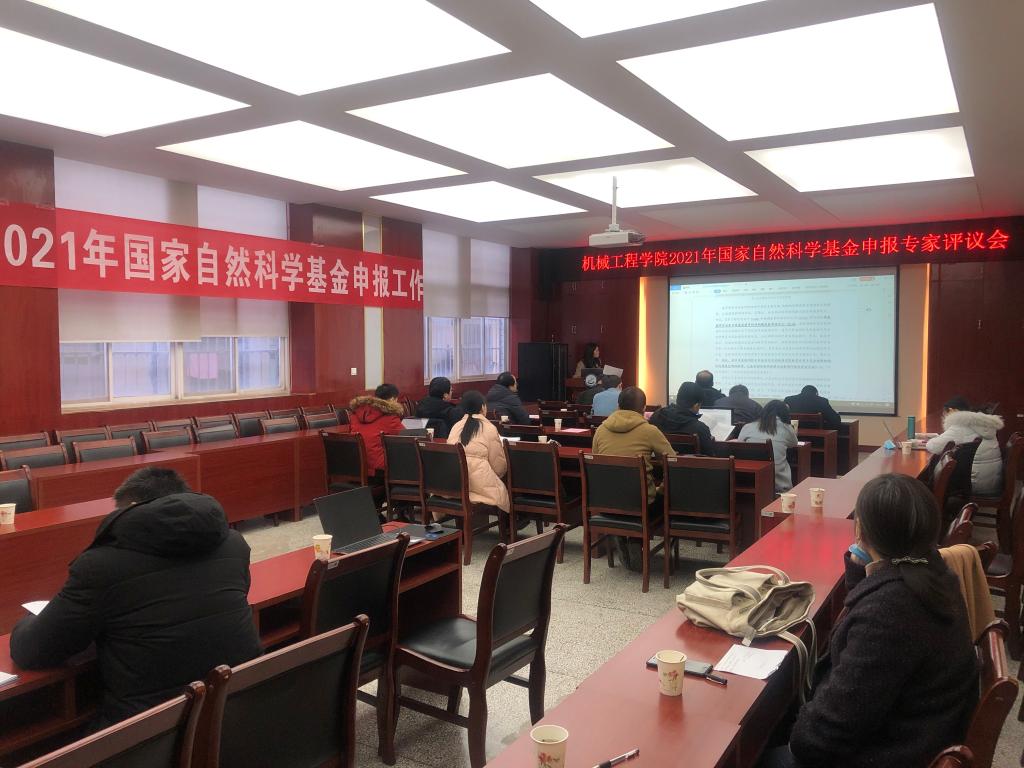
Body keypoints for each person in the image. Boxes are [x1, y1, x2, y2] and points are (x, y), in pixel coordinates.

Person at [10, 468, 262, 731]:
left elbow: (31, 651)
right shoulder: (234, 544)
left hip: (149, 732)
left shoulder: (101, 566)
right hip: (241, 712)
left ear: (130, 510)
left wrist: (31, 618)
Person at [763, 474, 977, 768]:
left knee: (754, 750)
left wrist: (792, 731)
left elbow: (823, 737)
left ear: (861, 530)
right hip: (923, 728)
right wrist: (861, 567)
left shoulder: (890, 612)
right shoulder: (933, 573)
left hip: (892, 752)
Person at [592, 386, 675, 571]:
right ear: (644, 408)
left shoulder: (601, 430)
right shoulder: (649, 430)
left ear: (618, 406)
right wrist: (661, 489)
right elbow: (673, 461)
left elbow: (596, 463)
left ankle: (622, 534)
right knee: (660, 498)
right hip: (641, 505)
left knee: (629, 495)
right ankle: (636, 540)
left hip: (607, 503)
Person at [925, 396, 1004, 496]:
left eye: (945, 414)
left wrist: (931, 440)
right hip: (991, 481)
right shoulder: (982, 424)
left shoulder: (960, 426)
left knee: (934, 475)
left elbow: (933, 446)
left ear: (952, 410)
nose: (944, 417)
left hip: (975, 484)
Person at [447, 390, 509, 516]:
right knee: (504, 482)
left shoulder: (456, 426)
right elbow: (499, 467)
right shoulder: (489, 428)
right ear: (482, 408)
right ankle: (510, 522)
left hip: (452, 486)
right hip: (479, 488)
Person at [738, 400, 798, 493]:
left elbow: (739, 444)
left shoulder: (747, 427)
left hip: (749, 479)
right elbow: (794, 443)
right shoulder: (786, 428)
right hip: (778, 483)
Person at [349, 383, 406, 474]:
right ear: (392, 399)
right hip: (378, 469)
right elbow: (406, 437)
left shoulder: (355, 415)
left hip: (356, 465)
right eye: (396, 400)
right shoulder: (390, 417)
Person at [650, 381, 714, 455]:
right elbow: (709, 457)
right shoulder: (700, 428)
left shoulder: (657, 415)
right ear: (696, 405)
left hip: (659, 462)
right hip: (689, 462)